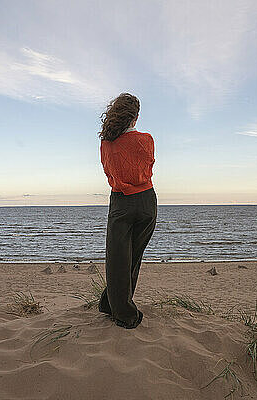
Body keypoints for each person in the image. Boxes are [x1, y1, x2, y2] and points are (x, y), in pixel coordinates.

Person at [97, 92, 157, 329]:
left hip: (121, 202)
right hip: (146, 201)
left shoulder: (107, 144)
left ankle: (120, 310)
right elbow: (148, 168)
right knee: (132, 257)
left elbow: (109, 173)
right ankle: (114, 305)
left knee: (117, 258)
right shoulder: (146, 140)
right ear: (135, 118)